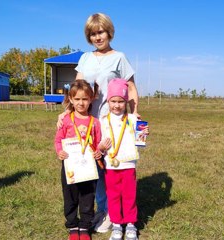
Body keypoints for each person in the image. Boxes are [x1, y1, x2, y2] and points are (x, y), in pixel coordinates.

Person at [58, 12, 140, 233]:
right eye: (93, 34)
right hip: (86, 122)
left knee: (108, 168)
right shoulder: (85, 58)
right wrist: (66, 112)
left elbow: (130, 87)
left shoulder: (119, 57)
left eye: (101, 32)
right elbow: (77, 88)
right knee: (92, 168)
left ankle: (112, 215)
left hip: (111, 122)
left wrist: (134, 115)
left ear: (109, 32)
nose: (97, 37)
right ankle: (101, 210)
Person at [98, 78, 149, 240]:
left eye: (121, 101)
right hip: (110, 166)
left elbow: (140, 141)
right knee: (112, 196)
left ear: (126, 101)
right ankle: (117, 225)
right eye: (113, 101)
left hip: (128, 165)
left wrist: (143, 133)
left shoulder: (133, 119)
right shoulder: (103, 121)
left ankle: (131, 224)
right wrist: (101, 148)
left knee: (129, 195)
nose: (117, 105)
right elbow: (98, 142)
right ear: (108, 101)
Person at [55, 80, 102, 240]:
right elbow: (58, 140)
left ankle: (85, 226)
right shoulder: (66, 120)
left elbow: (98, 144)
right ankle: (72, 225)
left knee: (88, 197)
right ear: (71, 100)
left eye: (84, 99)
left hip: (89, 167)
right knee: (70, 196)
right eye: (77, 99)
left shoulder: (95, 122)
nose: (81, 103)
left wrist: (98, 152)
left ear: (91, 99)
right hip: (70, 167)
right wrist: (60, 151)